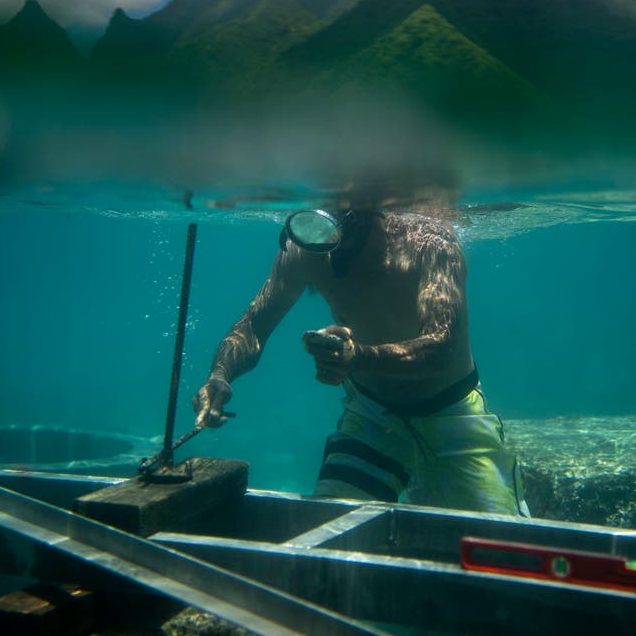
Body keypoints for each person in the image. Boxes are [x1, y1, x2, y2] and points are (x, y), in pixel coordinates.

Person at [191, 206, 528, 516]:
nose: (335, 248)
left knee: (500, 542)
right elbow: (254, 325)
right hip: (371, 414)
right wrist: (220, 374)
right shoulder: (305, 247)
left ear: (373, 211)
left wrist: (359, 357)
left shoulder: (431, 242)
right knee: (330, 527)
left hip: (452, 414)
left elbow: (442, 349)